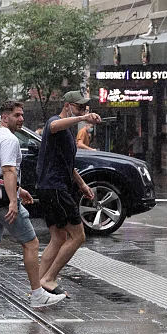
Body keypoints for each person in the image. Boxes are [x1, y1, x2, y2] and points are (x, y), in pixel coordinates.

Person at [0, 101, 66, 308]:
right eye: (16, 115)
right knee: (31, 244)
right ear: (5, 117)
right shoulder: (9, 139)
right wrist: (14, 201)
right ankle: (38, 295)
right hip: (2, 201)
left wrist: (19, 190)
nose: (21, 119)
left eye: (22, 115)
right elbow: (8, 171)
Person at [35, 90, 101, 298]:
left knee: (58, 237)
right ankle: (49, 278)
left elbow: (67, 164)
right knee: (78, 235)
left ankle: (38, 287)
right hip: (54, 188)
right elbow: (53, 126)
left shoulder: (68, 133)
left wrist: (82, 185)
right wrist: (82, 118)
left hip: (52, 187)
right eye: (79, 107)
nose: (83, 111)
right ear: (67, 106)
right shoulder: (56, 123)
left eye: (84, 108)